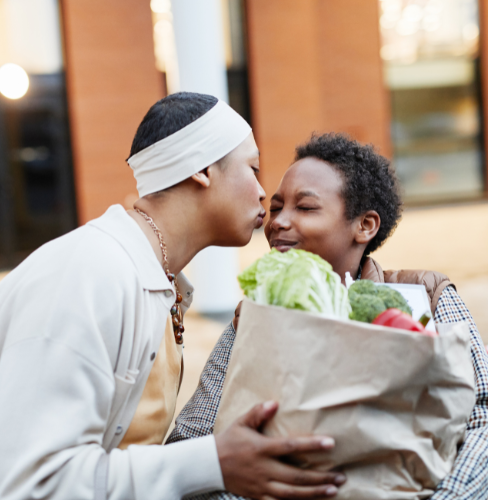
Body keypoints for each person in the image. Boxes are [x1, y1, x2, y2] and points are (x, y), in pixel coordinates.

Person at [0, 94, 347, 500]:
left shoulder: (156, 280)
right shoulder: (87, 272)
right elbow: (30, 484)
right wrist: (212, 463)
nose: (262, 193)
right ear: (201, 170)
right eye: (252, 169)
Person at [168, 132, 488, 500]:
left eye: (305, 208)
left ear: (365, 225)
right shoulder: (253, 319)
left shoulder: (427, 296)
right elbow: (192, 440)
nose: (278, 221)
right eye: (276, 207)